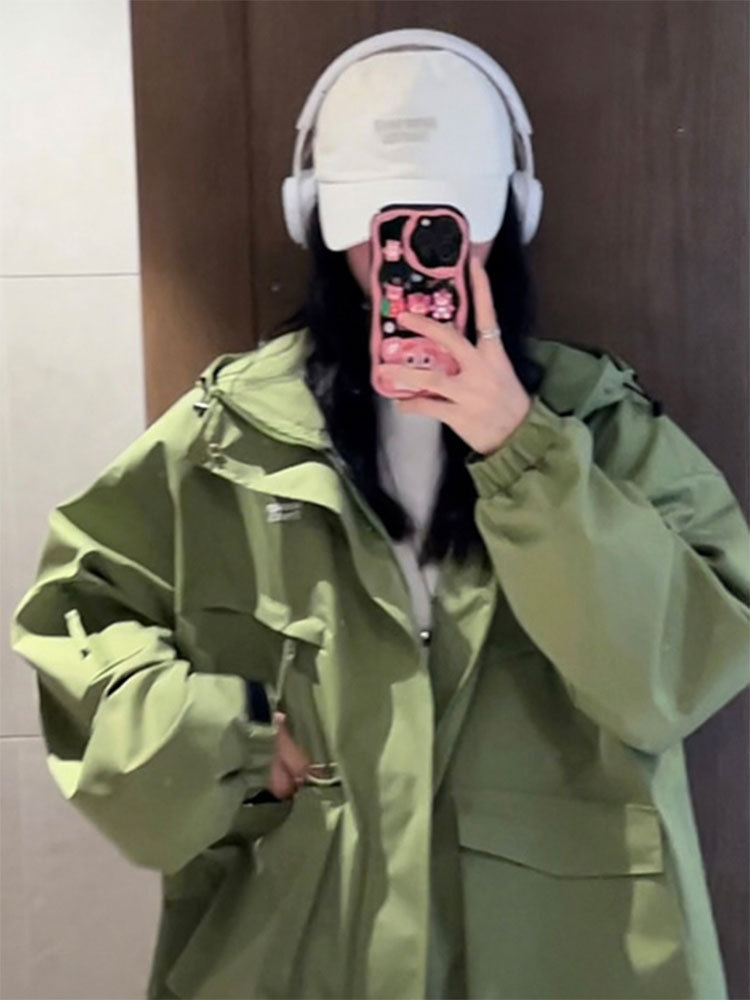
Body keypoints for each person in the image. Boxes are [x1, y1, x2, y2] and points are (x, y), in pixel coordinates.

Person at [10, 28, 750, 1000]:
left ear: (507, 216)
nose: (408, 258)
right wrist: (224, 733)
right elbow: (78, 624)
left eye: (444, 224)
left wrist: (520, 447)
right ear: (318, 216)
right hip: (305, 944)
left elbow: (679, 675)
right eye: (378, 222)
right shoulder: (229, 436)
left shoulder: (604, 430)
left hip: (569, 952)